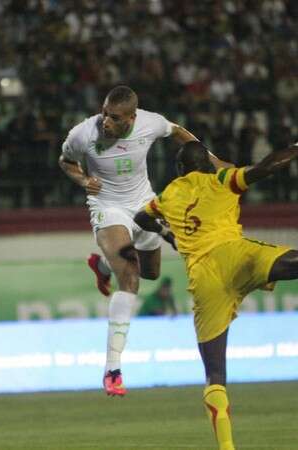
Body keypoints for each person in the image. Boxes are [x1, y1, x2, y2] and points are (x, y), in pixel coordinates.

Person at [59, 85, 231, 396]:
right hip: (108, 207)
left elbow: (178, 132)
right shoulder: (83, 134)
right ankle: (112, 369)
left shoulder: (151, 123)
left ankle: (102, 266)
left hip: (144, 205)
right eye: (104, 113)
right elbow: (65, 161)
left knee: (150, 272)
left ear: (131, 118)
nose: (106, 121)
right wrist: (84, 179)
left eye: (114, 118)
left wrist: (214, 160)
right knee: (130, 277)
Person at [132, 141, 298, 450]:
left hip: (204, 279)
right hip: (234, 255)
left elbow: (140, 217)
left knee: (215, 374)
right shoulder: (220, 179)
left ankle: (227, 446)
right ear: (208, 165)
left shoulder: (168, 195)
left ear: (180, 169)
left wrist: (168, 234)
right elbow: (266, 168)